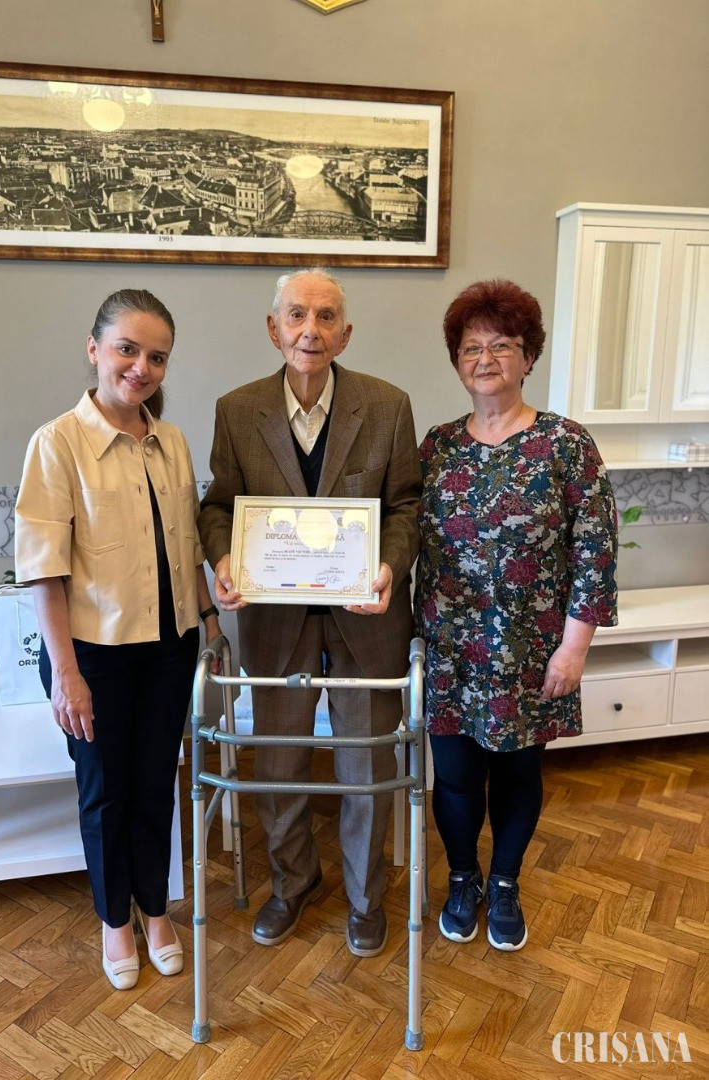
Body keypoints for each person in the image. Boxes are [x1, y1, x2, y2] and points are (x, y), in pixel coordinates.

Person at [198, 268, 421, 957]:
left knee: (366, 768)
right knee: (279, 763)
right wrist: (223, 561)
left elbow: (406, 507)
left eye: (326, 317)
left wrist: (390, 566)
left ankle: (364, 898)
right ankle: (292, 883)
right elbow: (218, 506)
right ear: (274, 328)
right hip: (275, 621)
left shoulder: (387, 405)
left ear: (344, 334)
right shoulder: (237, 409)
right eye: (297, 315)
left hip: (366, 618)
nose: (310, 330)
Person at [14, 289, 221, 990]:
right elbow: (43, 571)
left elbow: (185, 547)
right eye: (127, 349)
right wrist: (65, 674)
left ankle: (155, 910)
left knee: (157, 782)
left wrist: (210, 622)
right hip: (90, 654)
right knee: (105, 790)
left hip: (169, 645)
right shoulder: (56, 444)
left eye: (157, 357)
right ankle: (115, 920)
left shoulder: (173, 443)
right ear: (94, 348)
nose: (141, 368)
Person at [414, 279, 618, 951]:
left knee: (516, 774)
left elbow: (595, 549)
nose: (485, 358)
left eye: (501, 345)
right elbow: (398, 534)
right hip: (449, 648)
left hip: (529, 649)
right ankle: (463, 877)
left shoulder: (566, 444)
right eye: (471, 347)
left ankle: (504, 882)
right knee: (454, 775)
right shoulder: (436, 446)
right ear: (456, 361)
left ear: (528, 357)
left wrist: (574, 648)